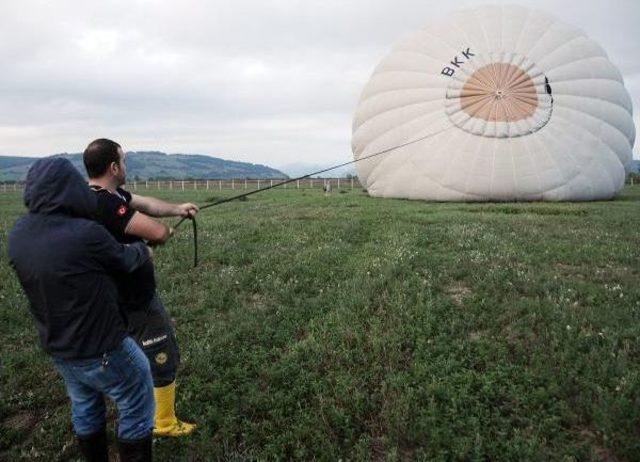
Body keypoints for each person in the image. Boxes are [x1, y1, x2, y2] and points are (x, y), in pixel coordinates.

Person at [8, 158, 155, 461]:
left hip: (61, 348)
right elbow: (125, 259)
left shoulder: (19, 234)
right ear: (71, 189)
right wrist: (143, 248)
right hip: (104, 345)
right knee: (136, 400)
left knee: (85, 407)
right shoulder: (86, 232)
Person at [83, 139, 198, 437]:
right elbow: (155, 232)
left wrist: (177, 209)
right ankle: (163, 422)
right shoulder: (106, 203)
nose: (125, 166)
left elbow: (143, 203)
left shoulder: (99, 195)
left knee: (128, 355)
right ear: (113, 166)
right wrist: (165, 231)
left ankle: (137, 407)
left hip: (110, 298)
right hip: (134, 299)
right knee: (161, 352)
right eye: (123, 161)